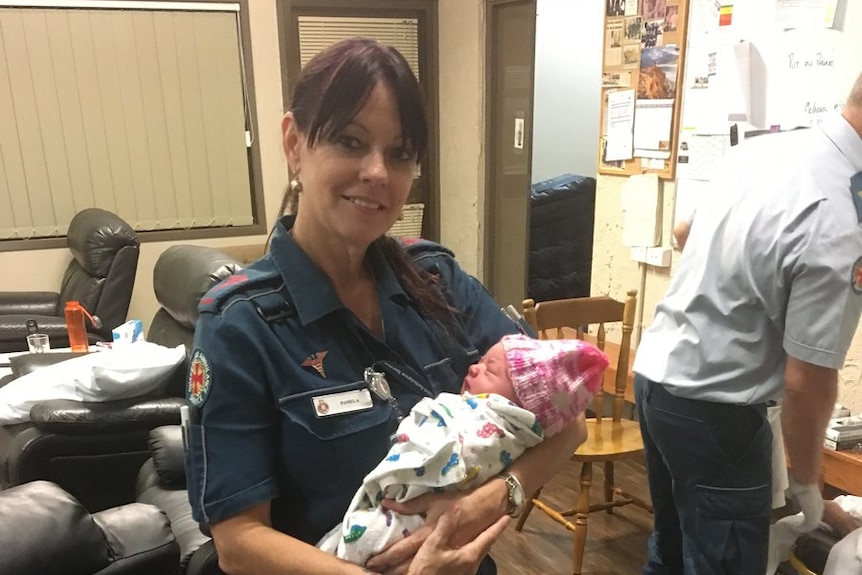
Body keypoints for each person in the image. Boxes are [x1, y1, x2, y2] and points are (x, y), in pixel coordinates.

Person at [183, 37, 587, 575]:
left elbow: (571, 421)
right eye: (350, 142)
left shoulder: (437, 281)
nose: (377, 172)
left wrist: (488, 502)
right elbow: (238, 543)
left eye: (399, 154)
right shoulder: (242, 325)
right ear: (294, 143)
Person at [632, 72, 862, 575]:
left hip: (655, 380)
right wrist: (807, 482)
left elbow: (683, 232)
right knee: (722, 564)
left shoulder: (765, 151)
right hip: (717, 409)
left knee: (671, 549)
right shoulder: (843, 216)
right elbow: (807, 380)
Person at [318, 335, 608, 565]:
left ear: (521, 404)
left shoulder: (495, 425)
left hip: (401, 515)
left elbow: (575, 426)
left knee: (355, 544)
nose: (473, 367)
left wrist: (490, 499)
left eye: (489, 370)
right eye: (481, 361)